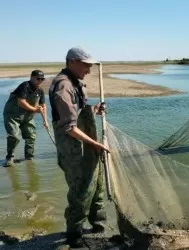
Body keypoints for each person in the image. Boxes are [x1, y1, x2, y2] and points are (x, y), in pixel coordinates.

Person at [48, 46, 108, 247]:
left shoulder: (76, 83)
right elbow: (69, 127)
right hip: (75, 151)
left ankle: (98, 225)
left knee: (97, 188)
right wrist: (96, 143)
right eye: (86, 65)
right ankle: (74, 235)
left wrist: (94, 110)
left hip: (88, 148)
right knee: (81, 193)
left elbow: (79, 114)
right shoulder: (63, 86)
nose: (89, 71)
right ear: (72, 62)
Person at [3, 70, 48, 166]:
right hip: (12, 115)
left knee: (31, 137)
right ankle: (9, 157)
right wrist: (35, 110)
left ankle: (29, 159)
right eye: (38, 78)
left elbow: (43, 106)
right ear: (32, 78)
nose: (40, 81)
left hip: (27, 116)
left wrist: (45, 121)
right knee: (14, 136)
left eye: (42, 79)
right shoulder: (25, 86)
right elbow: (21, 102)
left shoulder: (40, 91)